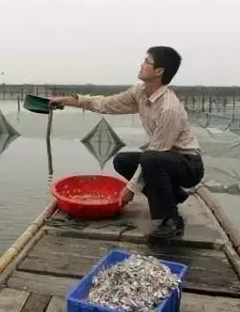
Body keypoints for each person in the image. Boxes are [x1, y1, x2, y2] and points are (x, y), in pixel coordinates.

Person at [49, 46, 204, 239]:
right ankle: (174, 196)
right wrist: (66, 101)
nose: (142, 64)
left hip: (188, 165)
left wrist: (130, 190)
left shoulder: (169, 109)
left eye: (147, 62)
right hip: (165, 159)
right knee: (123, 160)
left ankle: (170, 220)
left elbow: (157, 151)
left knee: (150, 159)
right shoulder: (140, 92)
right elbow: (105, 104)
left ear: (159, 71)